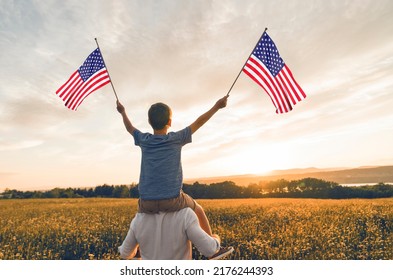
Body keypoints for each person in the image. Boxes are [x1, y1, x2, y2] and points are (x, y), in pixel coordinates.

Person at [116, 95, 232, 259]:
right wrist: (216, 106)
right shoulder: (176, 139)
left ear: (150, 122)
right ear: (169, 122)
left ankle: (139, 252)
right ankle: (213, 250)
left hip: (145, 202)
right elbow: (199, 122)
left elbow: (130, 128)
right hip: (172, 199)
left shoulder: (144, 139)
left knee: (144, 224)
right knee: (198, 208)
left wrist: (122, 112)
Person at [118, 207, 233, 260]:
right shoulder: (185, 214)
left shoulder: (139, 218)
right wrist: (215, 238)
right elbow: (209, 250)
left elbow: (124, 253)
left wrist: (137, 252)